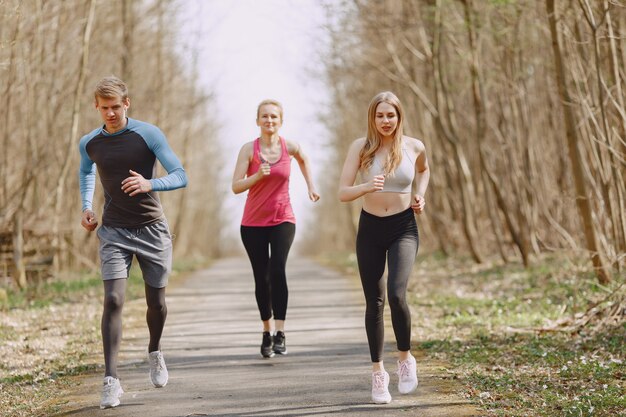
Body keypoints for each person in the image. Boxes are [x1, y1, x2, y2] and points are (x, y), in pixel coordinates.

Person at [78, 76, 188, 409]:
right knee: (113, 299)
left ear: (127, 104)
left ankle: (155, 350)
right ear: (96, 107)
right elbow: (85, 171)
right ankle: (111, 380)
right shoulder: (90, 142)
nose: (110, 113)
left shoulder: (148, 134)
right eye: (104, 108)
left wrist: (150, 183)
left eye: (116, 107)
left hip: (152, 229)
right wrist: (86, 206)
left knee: (156, 304)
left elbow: (181, 174)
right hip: (113, 231)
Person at [338, 91, 430, 404]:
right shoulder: (360, 148)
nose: (385, 121)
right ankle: (378, 373)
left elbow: (423, 169)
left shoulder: (414, 146)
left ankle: (405, 359)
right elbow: (342, 191)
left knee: (396, 293)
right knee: (374, 302)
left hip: (404, 227)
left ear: (399, 116)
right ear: (372, 118)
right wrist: (366, 186)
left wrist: (420, 194)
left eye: (391, 115)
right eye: (380, 116)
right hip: (370, 228)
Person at [232, 99, 319, 358]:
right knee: (262, 277)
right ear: (257, 120)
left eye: (274, 117)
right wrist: (258, 175)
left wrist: (310, 186)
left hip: (283, 218)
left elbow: (304, 160)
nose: (269, 121)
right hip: (252, 223)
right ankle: (266, 331)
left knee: (278, 269)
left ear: (281, 121)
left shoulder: (288, 147)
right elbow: (236, 186)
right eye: (265, 117)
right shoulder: (249, 150)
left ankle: (281, 332)